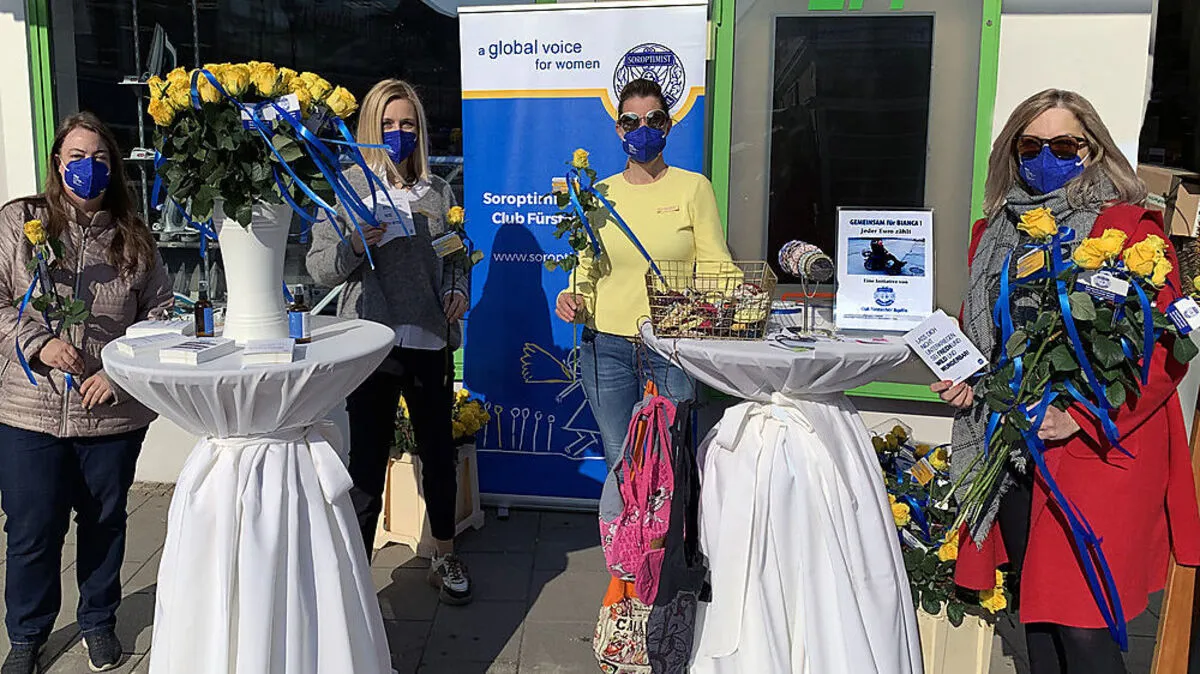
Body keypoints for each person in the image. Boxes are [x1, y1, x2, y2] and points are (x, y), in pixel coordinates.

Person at [933, 89, 1200, 674]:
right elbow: (984, 335)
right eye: (1031, 145)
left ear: (1094, 150)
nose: (1045, 156)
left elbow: (1163, 353)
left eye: (1064, 144)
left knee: (1084, 630)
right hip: (1014, 453)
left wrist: (1078, 416)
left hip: (1096, 451)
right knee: (1040, 624)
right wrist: (970, 384)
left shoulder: (1129, 231)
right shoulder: (994, 233)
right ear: (1012, 153)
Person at [0, 112, 173, 674]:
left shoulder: (134, 237)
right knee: (32, 529)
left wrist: (119, 370)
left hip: (112, 414)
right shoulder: (20, 223)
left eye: (99, 158)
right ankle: (27, 634)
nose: (87, 168)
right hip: (31, 412)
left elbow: (162, 316)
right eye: (76, 156)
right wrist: (37, 343)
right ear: (57, 162)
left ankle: (99, 620)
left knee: (105, 523)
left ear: (113, 167)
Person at [307, 79, 473, 605]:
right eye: (388, 125)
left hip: (429, 341)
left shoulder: (438, 191)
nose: (398, 134)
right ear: (369, 130)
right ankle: (357, 573)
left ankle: (444, 554)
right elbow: (317, 267)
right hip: (372, 346)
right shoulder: (349, 185)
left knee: (438, 454)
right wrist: (355, 243)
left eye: (407, 124)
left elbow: (455, 257)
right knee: (367, 462)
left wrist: (459, 292)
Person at [554, 78, 733, 469]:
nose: (642, 129)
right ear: (619, 129)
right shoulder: (598, 194)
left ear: (668, 125)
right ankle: (623, 532)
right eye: (631, 121)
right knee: (621, 461)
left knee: (665, 461)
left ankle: (667, 534)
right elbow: (587, 266)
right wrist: (571, 295)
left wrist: (746, 302)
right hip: (607, 347)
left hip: (671, 346)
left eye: (653, 119)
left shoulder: (693, 188)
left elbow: (716, 263)